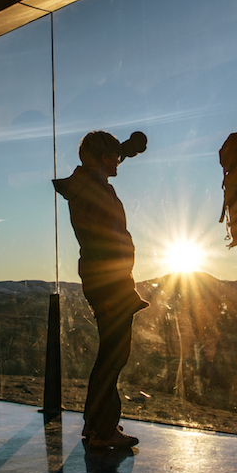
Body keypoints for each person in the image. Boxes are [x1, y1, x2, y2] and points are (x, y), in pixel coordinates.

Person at [54, 130, 149, 450]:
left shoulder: (86, 184)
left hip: (104, 279)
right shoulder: (93, 188)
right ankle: (102, 430)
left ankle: (96, 424)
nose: (118, 162)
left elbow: (101, 161)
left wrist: (124, 150)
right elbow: (107, 236)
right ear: (104, 158)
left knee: (112, 353)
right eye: (115, 157)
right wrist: (121, 277)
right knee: (114, 354)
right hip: (109, 282)